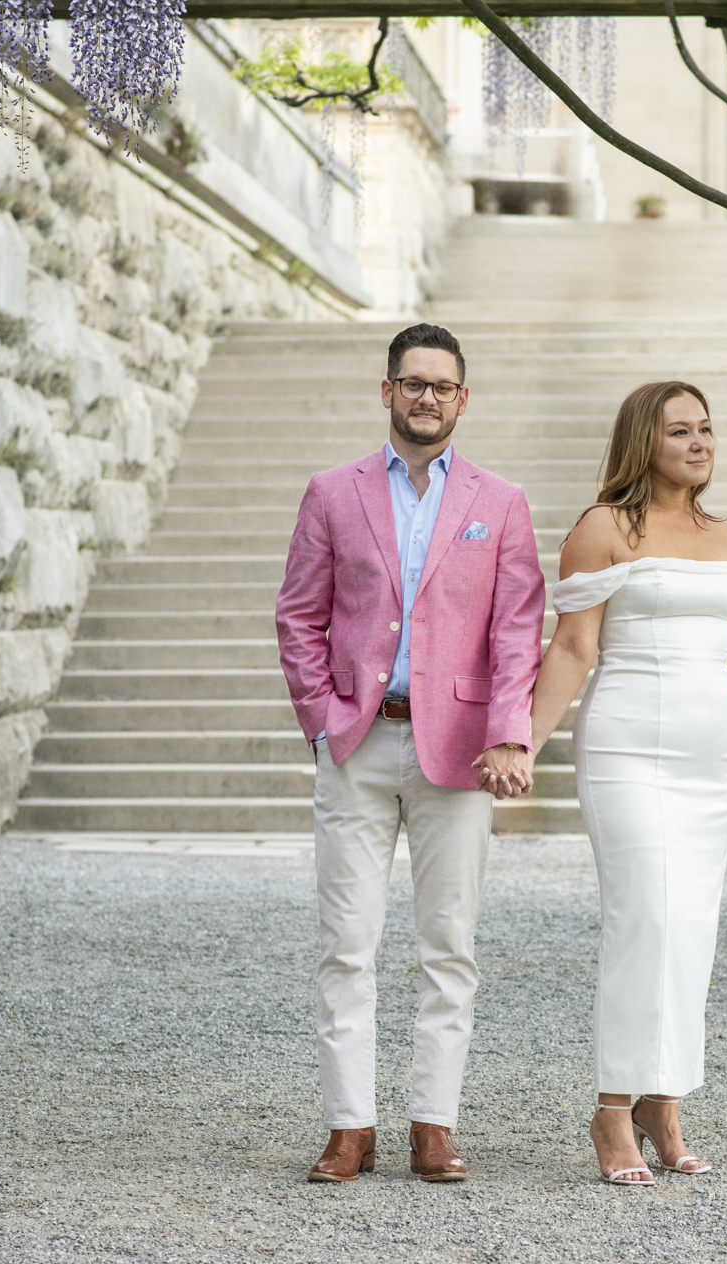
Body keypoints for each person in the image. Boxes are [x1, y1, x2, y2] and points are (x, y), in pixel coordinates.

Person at [274, 323, 543, 1184]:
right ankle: (350, 1126)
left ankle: (435, 1122)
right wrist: (322, 720)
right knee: (346, 943)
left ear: (463, 399)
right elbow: (298, 614)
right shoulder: (331, 492)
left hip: (457, 753)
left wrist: (507, 730)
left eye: (442, 385)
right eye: (412, 382)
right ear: (385, 389)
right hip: (355, 744)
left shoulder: (500, 503)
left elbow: (517, 630)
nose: (426, 396)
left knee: (447, 944)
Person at [523, 380, 727, 1187]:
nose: (700, 442)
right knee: (644, 918)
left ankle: (663, 1102)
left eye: (707, 428)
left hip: (709, 761)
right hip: (627, 749)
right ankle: (610, 1109)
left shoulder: (726, 536)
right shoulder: (604, 529)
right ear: (646, 440)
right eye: (681, 430)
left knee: (691, 927)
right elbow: (571, 647)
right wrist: (521, 741)